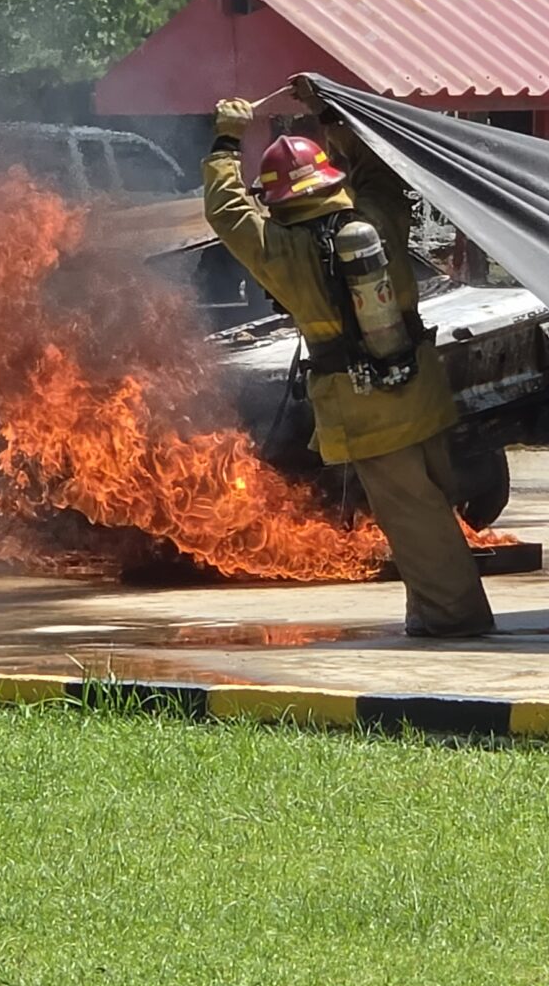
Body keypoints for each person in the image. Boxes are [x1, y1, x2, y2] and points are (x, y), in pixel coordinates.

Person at [203, 77, 494, 638]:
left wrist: (226, 140)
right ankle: (430, 610)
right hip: (422, 388)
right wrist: (333, 116)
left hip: (367, 410)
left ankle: (453, 620)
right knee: (431, 505)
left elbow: (226, 211)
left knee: (414, 519)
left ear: (280, 200)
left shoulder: (281, 249)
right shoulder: (373, 219)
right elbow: (379, 171)